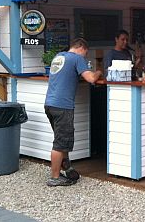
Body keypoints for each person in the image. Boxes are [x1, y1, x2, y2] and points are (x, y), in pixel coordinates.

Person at [44, 38, 103, 187]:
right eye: (86, 53)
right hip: (63, 106)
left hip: (50, 104)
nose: (85, 56)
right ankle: (55, 178)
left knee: (62, 139)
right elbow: (90, 79)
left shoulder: (59, 57)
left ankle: (68, 168)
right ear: (81, 48)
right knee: (60, 143)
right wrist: (98, 72)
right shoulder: (77, 58)